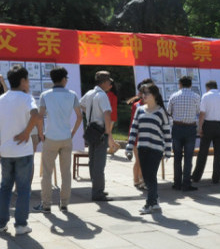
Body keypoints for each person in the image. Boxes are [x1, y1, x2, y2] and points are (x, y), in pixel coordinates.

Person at [0, 66, 39, 235]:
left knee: (5, 187)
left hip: (6, 150)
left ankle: (0, 223)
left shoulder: (2, 98)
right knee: (23, 189)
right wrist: (26, 133)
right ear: (23, 80)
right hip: (23, 151)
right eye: (28, 80)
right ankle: (21, 225)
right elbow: (36, 115)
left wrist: (3, 130)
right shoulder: (27, 98)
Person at [34, 67, 82, 213]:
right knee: (66, 172)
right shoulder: (72, 94)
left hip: (50, 137)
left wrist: (41, 134)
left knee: (47, 173)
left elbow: (40, 117)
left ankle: (46, 204)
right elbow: (79, 116)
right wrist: (73, 132)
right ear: (63, 79)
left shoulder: (45, 95)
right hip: (66, 137)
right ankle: (64, 203)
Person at [125, 83, 171, 214]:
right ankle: (154, 202)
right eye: (142, 93)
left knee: (150, 177)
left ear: (154, 95)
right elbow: (134, 129)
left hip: (156, 149)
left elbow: (167, 132)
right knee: (147, 177)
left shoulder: (161, 112)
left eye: (146, 93)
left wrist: (168, 150)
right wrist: (129, 147)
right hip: (142, 148)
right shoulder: (139, 110)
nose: (143, 95)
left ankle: (149, 204)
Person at [80, 71, 118, 201]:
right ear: (104, 82)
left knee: (92, 161)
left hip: (91, 130)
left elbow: (81, 104)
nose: (110, 84)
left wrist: (89, 114)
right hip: (101, 131)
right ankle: (98, 192)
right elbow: (107, 114)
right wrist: (108, 133)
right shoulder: (102, 96)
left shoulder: (90, 93)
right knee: (99, 164)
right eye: (109, 82)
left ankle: (96, 187)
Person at [192, 80, 220, 184]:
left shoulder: (206, 96)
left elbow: (202, 114)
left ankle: (196, 176)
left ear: (207, 87)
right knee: (219, 153)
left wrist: (200, 128)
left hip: (208, 126)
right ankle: (216, 178)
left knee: (203, 152)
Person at [167, 76, 201, 192]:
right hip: (190, 128)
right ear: (190, 85)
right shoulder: (196, 97)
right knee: (188, 157)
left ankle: (177, 183)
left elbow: (169, 112)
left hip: (177, 128)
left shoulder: (174, 96)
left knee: (177, 157)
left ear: (180, 84)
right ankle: (186, 184)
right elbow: (198, 111)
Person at [126, 78, 153, 189]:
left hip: (149, 136)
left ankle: (140, 180)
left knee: (145, 161)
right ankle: (138, 180)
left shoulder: (152, 105)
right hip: (138, 136)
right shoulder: (137, 105)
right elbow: (134, 123)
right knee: (139, 160)